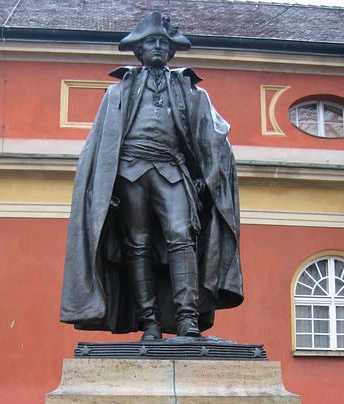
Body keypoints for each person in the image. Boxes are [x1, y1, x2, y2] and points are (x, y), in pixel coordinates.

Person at [60, 12, 243, 340]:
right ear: (139, 51)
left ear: (171, 51)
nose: (157, 47)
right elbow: (100, 145)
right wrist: (105, 184)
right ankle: (150, 322)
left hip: (172, 170)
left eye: (163, 42)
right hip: (130, 172)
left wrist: (206, 176)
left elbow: (211, 135)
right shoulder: (117, 93)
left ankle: (187, 318)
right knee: (137, 245)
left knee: (181, 235)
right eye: (150, 42)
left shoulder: (190, 91)